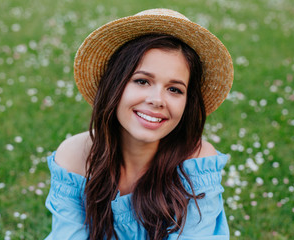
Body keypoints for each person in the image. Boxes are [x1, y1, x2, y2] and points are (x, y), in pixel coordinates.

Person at [45, 8, 234, 240]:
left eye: (174, 89)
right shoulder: (75, 158)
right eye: (142, 81)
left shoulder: (196, 161)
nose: (157, 99)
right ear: (115, 85)